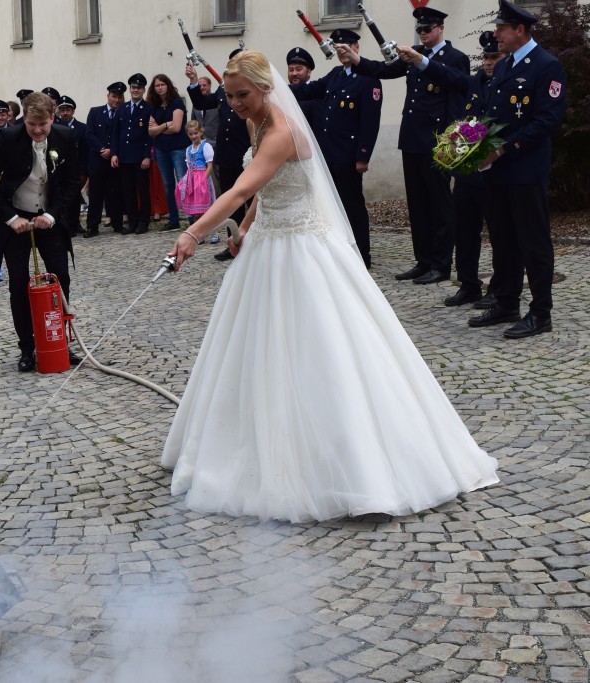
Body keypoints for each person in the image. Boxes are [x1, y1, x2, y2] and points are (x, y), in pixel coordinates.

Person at [161, 50, 498, 522]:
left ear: (265, 88)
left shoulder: (280, 131)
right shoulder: (257, 123)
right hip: (268, 243)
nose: (235, 104)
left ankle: (348, 463)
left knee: (322, 347)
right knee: (253, 345)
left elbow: (239, 189)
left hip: (303, 247)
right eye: (230, 96)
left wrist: (192, 232)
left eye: (242, 95)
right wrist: (250, 229)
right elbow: (262, 191)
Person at [340, 5, 468, 285]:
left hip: (438, 142)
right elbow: (383, 71)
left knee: (440, 205)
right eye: (419, 29)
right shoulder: (412, 56)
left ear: (440, 29)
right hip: (412, 139)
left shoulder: (454, 58)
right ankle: (423, 261)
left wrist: (450, 142)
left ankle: (441, 264)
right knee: (418, 205)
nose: (423, 33)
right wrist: (356, 59)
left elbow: (456, 91)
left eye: (428, 29)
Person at [467, 0, 566, 338]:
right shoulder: (506, 65)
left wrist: (504, 149)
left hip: (524, 169)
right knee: (503, 239)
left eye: (501, 29)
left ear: (519, 30)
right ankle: (507, 301)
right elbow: (493, 114)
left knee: (533, 241)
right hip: (498, 170)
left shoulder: (546, 65)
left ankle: (541, 312)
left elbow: (547, 121)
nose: (496, 35)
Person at [0, 91, 83, 372]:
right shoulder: (7, 138)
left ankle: (60, 340)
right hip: (16, 218)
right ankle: (27, 347)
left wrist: (51, 214)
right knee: (19, 284)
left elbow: (73, 182)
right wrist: (11, 218)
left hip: (49, 218)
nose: (37, 130)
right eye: (31, 124)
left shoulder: (66, 137)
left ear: (52, 118)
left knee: (60, 278)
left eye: (43, 125)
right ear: (23, 119)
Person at [402, 30, 506, 307]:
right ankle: (468, 285)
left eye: (494, 56)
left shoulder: (508, 87)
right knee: (465, 232)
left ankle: (499, 289)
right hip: (468, 174)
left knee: (499, 235)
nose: (488, 62)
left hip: (495, 174)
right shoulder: (473, 84)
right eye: (485, 56)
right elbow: (447, 80)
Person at [291, 29, 382, 268]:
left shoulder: (368, 78)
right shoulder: (335, 74)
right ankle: (341, 250)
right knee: (332, 205)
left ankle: (362, 253)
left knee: (352, 204)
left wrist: (363, 156)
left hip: (349, 155)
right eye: (338, 47)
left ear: (356, 48)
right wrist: (276, 87)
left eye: (346, 46)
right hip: (329, 153)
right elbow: (309, 90)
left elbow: (370, 122)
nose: (341, 51)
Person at [185, 51, 252, 261]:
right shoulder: (224, 90)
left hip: (246, 153)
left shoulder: (252, 88)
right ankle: (234, 241)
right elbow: (203, 103)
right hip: (226, 154)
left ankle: (252, 241)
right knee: (232, 202)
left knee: (251, 200)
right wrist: (194, 81)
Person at [147, 74, 192, 231]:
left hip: (178, 148)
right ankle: (174, 220)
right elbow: (151, 131)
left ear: (168, 85)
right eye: (157, 85)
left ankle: (192, 219)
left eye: (162, 84)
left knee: (183, 184)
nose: (160, 87)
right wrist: (165, 125)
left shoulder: (177, 102)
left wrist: (159, 128)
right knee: (168, 185)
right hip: (161, 150)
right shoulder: (154, 105)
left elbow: (177, 128)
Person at [82, 81, 125, 238]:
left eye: (119, 97)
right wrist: (102, 149)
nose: (116, 100)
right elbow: (89, 133)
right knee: (95, 195)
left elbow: (123, 136)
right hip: (97, 159)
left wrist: (112, 151)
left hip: (115, 159)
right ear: (108, 96)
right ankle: (92, 226)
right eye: (114, 96)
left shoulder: (124, 113)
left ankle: (117, 223)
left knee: (115, 193)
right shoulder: (95, 112)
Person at [111, 73, 152, 234]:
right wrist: (114, 153)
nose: (135, 90)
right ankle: (133, 221)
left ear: (143, 89)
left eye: (139, 88)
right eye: (133, 87)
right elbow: (116, 132)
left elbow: (150, 134)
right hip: (124, 157)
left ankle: (144, 221)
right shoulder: (122, 108)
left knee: (142, 190)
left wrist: (147, 155)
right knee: (127, 191)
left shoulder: (148, 108)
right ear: (130, 89)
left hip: (141, 157)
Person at [174, 120, 216, 237]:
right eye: (190, 134)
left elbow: (210, 165)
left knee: (207, 207)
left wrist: (203, 180)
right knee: (196, 209)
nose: (193, 136)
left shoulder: (205, 146)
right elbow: (189, 167)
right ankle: (199, 234)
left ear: (201, 132)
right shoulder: (188, 149)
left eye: (195, 133)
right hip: (192, 180)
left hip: (202, 179)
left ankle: (213, 232)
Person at [55, 95, 88, 237]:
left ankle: (76, 224)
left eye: (68, 110)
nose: (65, 113)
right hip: (61, 169)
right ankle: (67, 225)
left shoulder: (82, 128)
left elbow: (85, 150)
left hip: (77, 168)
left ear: (73, 111)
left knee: (75, 199)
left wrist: (84, 170)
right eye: (62, 110)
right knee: (64, 198)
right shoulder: (55, 127)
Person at [189, 76, 219, 147]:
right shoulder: (196, 104)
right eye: (200, 86)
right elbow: (193, 121)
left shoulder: (216, 101)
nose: (202, 88)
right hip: (200, 143)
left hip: (215, 143)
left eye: (204, 85)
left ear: (210, 86)